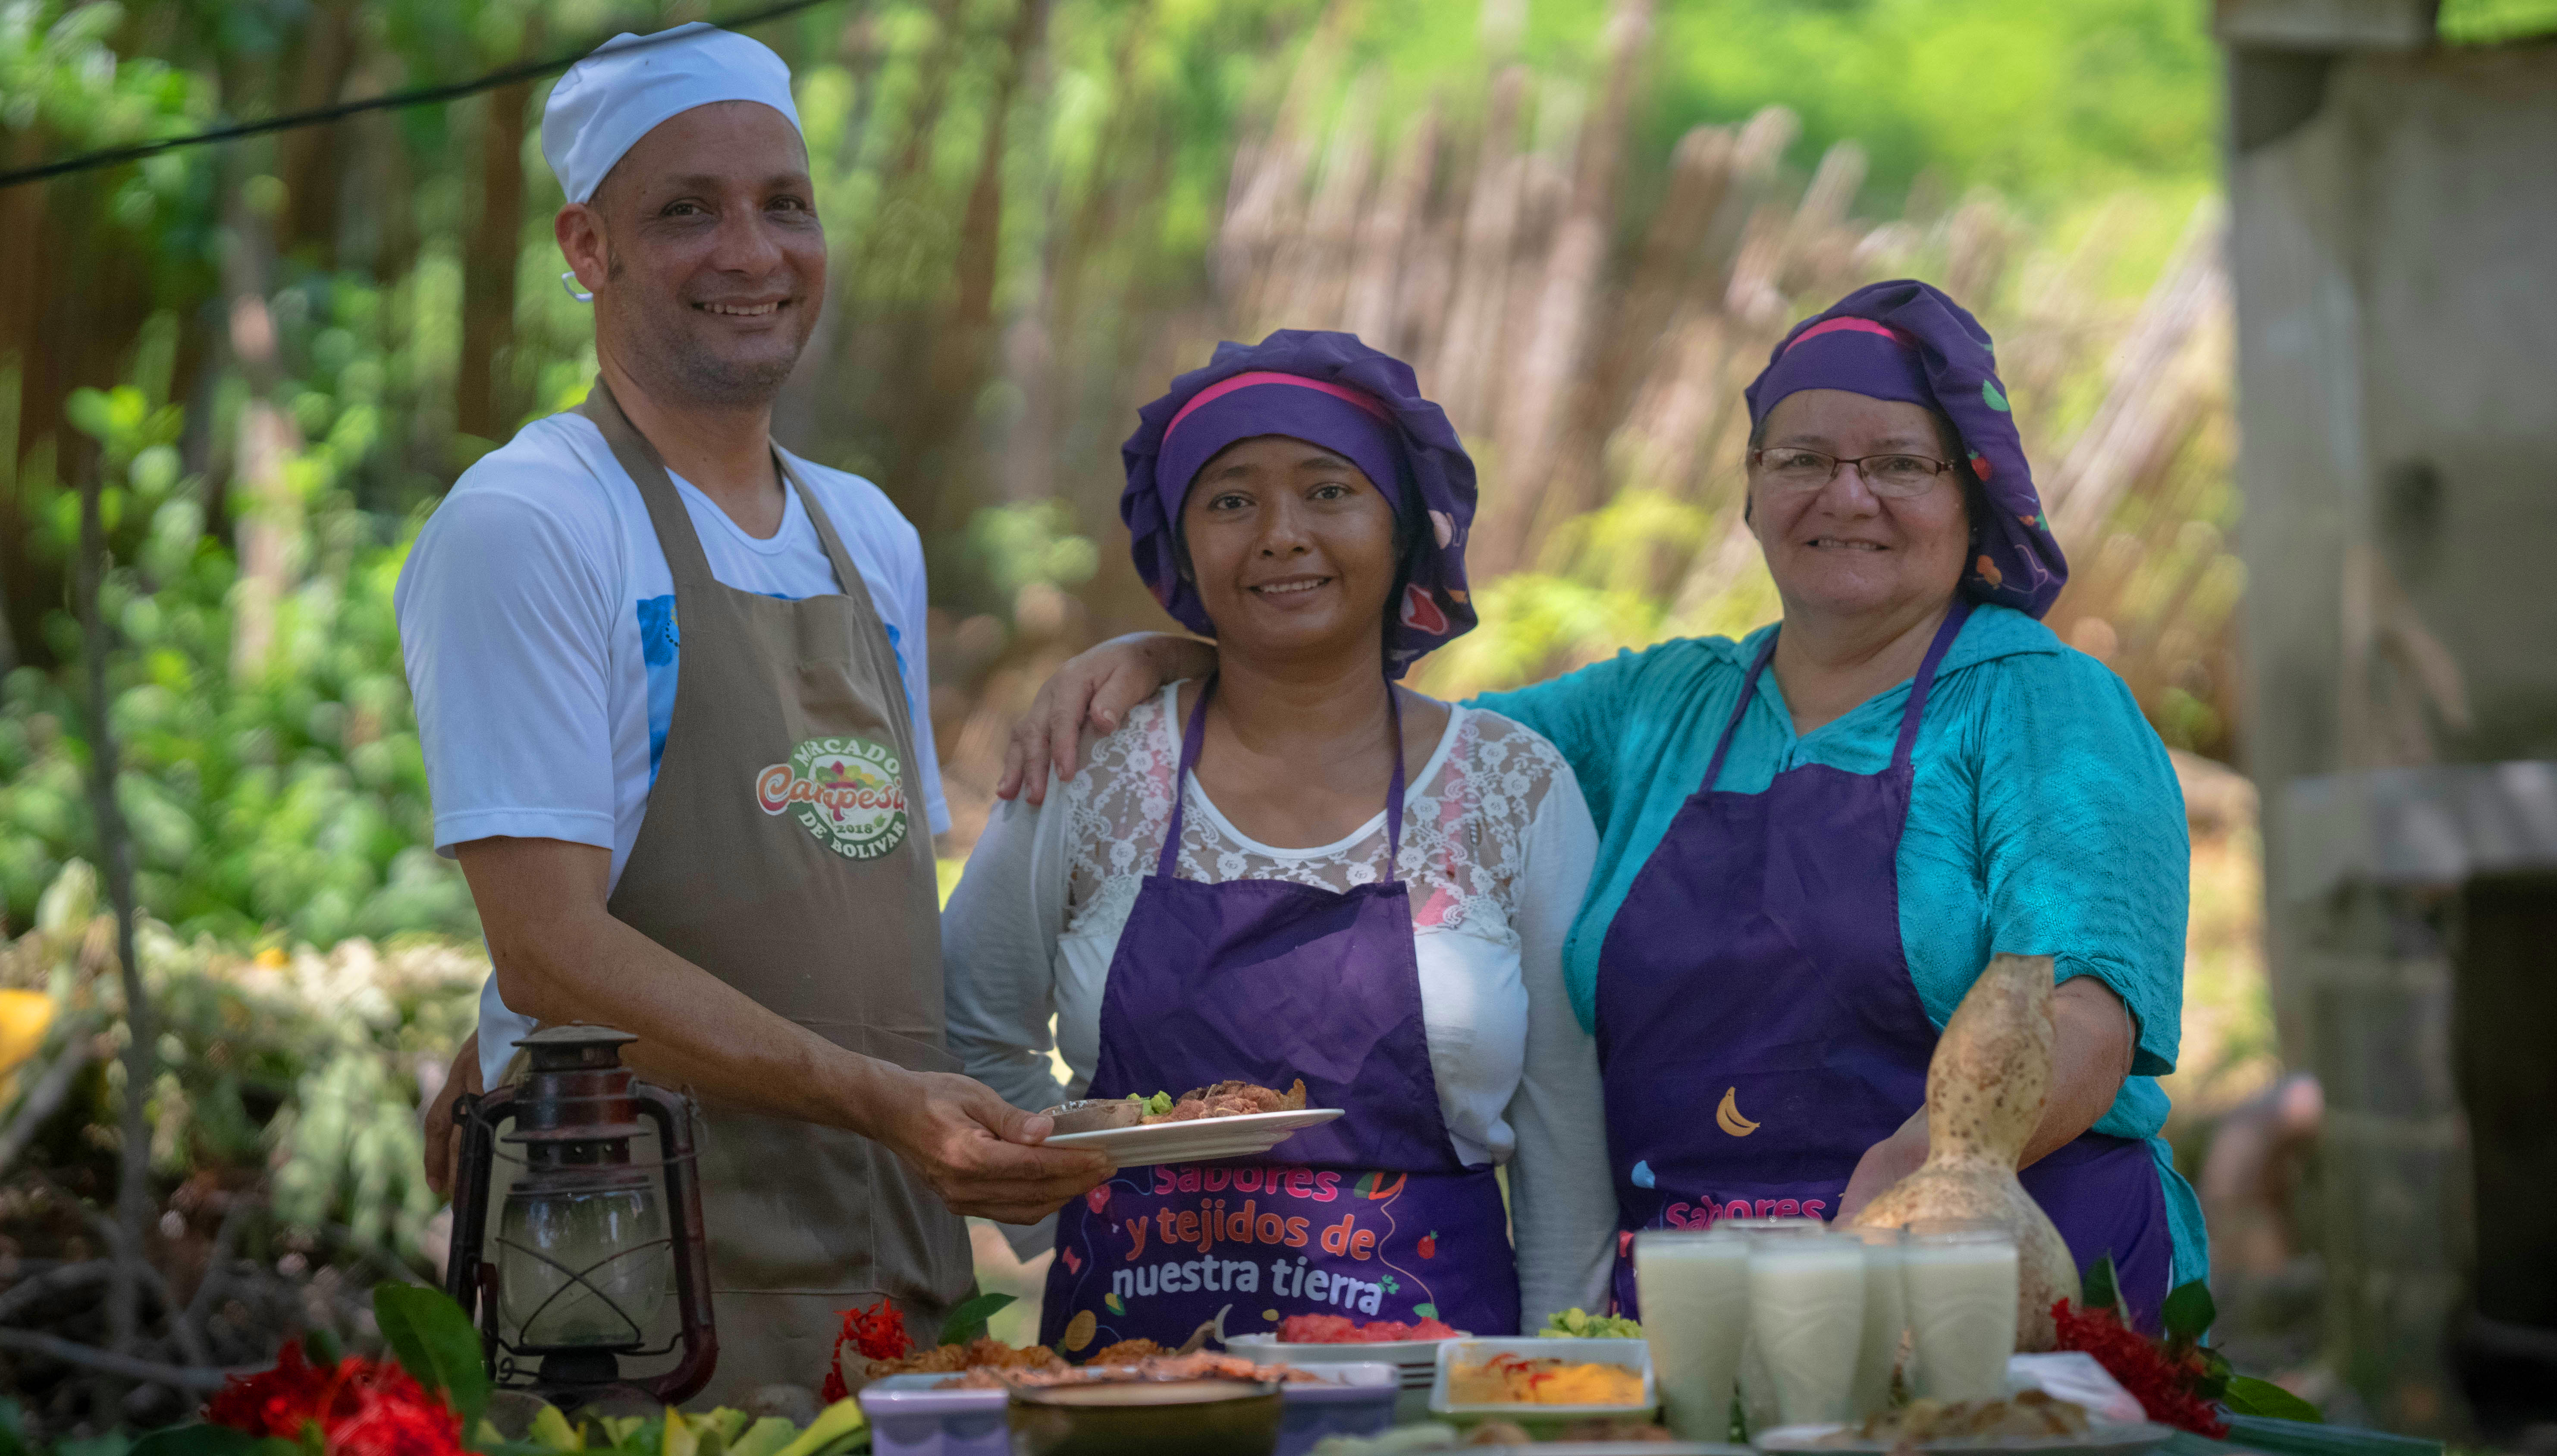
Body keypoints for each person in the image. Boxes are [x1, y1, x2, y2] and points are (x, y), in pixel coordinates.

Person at [995, 282, 2206, 1331]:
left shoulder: (2044, 709)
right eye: (1803, 461)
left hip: (1986, 1274)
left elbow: (2079, 1014)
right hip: (1693, 1308)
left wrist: (1916, 1183)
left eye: (1900, 463)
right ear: (1749, 493)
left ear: (1972, 493)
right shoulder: (1658, 709)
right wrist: (1180, 657)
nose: (1850, 495)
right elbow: (1367, 725)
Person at [398, 24, 1109, 1396]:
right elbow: (547, 952)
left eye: (785, 203)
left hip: (891, 1272)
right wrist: (878, 1102)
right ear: (587, 247)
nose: (753, 252)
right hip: (637, 1295)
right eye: (687, 211)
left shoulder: (870, 536)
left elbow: (840, 907)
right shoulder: (533, 522)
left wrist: (1153, 659)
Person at [944, 331, 1617, 1352]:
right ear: (1181, 545)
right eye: (1230, 500)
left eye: (1330, 491)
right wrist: (1066, 1194)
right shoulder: (1095, 765)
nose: (1280, 534)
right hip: (1132, 1377)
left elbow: (1567, 1135)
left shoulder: (1510, 787)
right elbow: (973, 1016)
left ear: (1401, 534)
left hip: (1424, 1385)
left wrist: (1554, 1382)